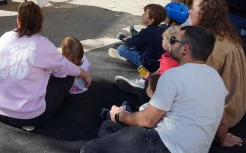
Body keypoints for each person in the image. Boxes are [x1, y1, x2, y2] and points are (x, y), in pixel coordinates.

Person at [80, 26, 229, 153]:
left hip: (164, 144)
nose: (170, 44)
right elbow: (222, 121)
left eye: (173, 40)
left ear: (185, 49)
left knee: (91, 148)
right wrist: (222, 141)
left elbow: (148, 120)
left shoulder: (173, 75)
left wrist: (120, 116)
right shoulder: (216, 77)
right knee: (109, 127)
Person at [0, 1, 92, 131]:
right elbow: (65, 67)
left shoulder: (5, 37)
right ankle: (29, 117)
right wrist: (84, 73)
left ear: (19, 21)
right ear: (40, 23)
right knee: (66, 77)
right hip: (25, 116)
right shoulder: (42, 44)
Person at [189, 0, 246, 129]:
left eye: (192, 8)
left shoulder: (212, 46)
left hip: (222, 116)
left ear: (203, 15)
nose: (189, 11)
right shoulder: (226, 37)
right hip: (234, 108)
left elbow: (199, 88)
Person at [115, 26, 180, 95]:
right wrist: (151, 75)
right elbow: (160, 69)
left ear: (170, 46)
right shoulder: (168, 55)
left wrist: (150, 79)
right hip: (156, 74)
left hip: (159, 87)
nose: (162, 41)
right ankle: (143, 85)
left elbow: (163, 81)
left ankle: (142, 87)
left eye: (163, 40)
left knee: (121, 49)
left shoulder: (170, 63)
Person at [109, 4, 166, 72]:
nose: (142, 15)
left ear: (151, 19)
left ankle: (125, 49)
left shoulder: (147, 32)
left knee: (121, 48)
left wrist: (127, 40)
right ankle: (133, 38)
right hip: (160, 64)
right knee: (141, 44)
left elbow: (130, 44)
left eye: (145, 13)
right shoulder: (162, 30)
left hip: (147, 64)